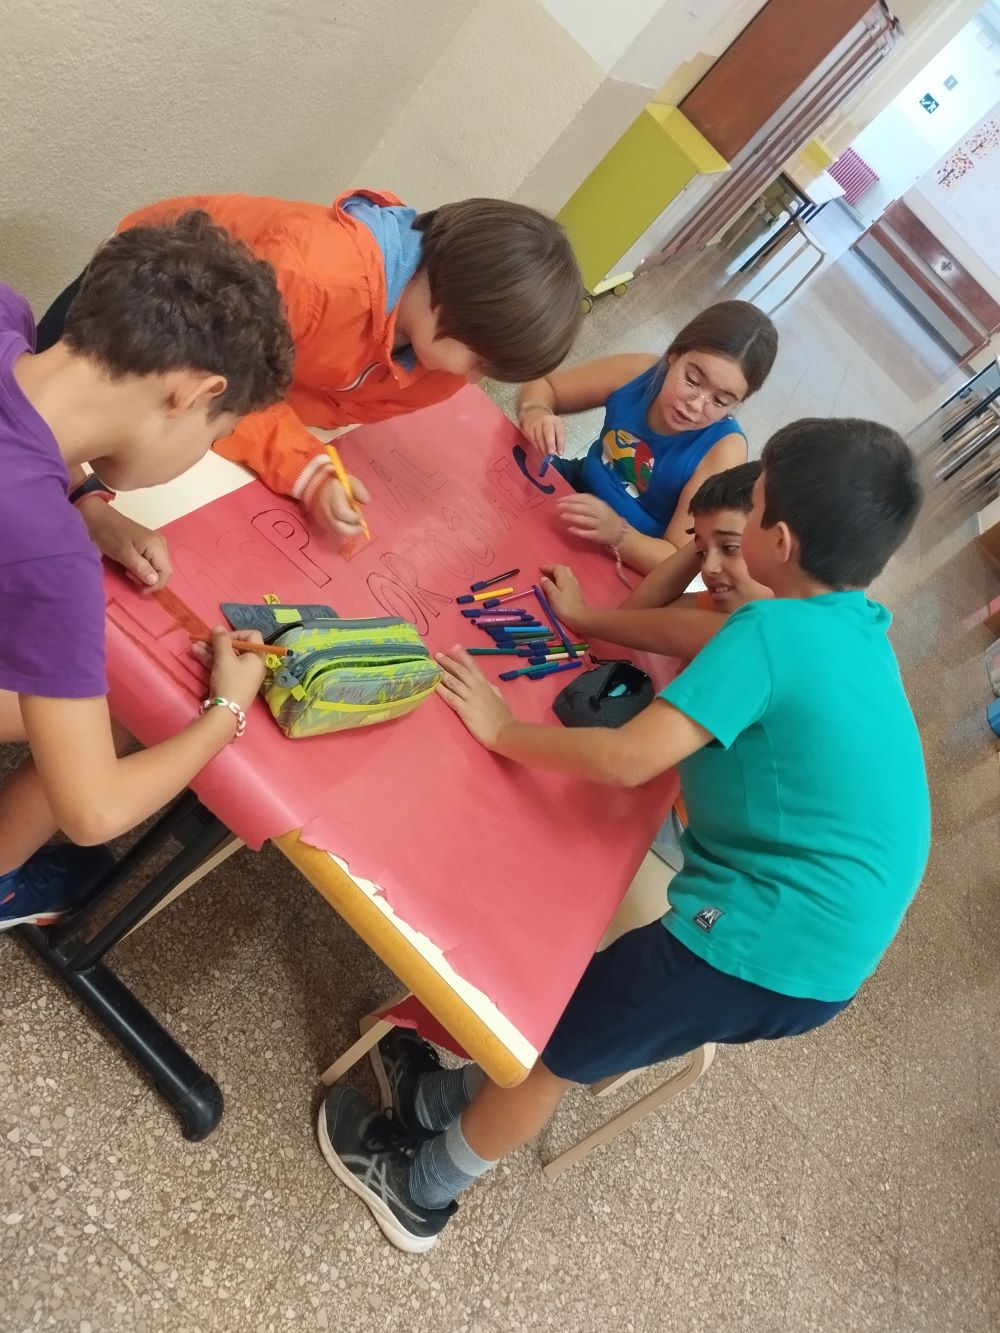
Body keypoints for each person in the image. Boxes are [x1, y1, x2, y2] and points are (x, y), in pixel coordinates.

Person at [316, 417, 930, 1253]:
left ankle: (421, 1190)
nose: (739, 522)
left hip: (765, 940)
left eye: (753, 506)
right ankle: (439, 1101)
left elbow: (627, 758)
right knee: (578, 1018)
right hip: (816, 942)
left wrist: (502, 730)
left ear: (779, 541)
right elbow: (683, 642)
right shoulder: (850, 625)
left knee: (558, 1049)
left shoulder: (774, 631)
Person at [37, 190, 584, 590]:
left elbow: (286, 393)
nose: (475, 381)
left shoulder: (433, 354)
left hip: (181, 406)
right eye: (481, 361)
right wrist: (303, 465)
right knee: (50, 470)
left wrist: (89, 504)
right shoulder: (314, 277)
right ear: (454, 308)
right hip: (129, 328)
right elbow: (225, 390)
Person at [0, 211, 294, 930]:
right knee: (127, 706)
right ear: (193, 394)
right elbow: (93, 809)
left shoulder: (8, 311)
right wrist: (223, 713)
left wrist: (87, 503)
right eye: (216, 434)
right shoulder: (52, 562)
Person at [517, 301, 777, 576]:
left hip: (631, 553)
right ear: (674, 354)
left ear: (736, 404)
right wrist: (537, 412)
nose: (696, 404)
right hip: (574, 486)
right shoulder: (639, 372)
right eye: (692, 380)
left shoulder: (723, 451)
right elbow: (544, 386)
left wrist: (618, 533)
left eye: (720, 401)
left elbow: (676, 561)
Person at [543, 459, 771, 663]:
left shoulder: (771, 632)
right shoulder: (723, 603)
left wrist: (579, 615)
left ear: (782, 545)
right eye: (701, 553)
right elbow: (633, 616)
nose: (708, 568)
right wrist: (706, 538)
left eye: (730, 548)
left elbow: (662, 626)